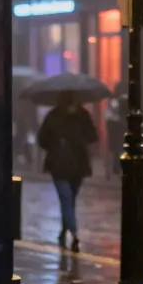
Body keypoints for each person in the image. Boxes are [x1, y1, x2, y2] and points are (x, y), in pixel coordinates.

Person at [38, 91, 98, 252]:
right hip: (77, 165)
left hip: (59, 164)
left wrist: (55, 145)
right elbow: (93, 137)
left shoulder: (53, 115)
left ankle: (64, 231)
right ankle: (74, 233)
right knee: (68, 199)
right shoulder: (83, 115)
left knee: (67, 200)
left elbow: (42, 140)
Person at [104, 81, 126, 176]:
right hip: (118, 124)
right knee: (118, 146)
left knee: (115, 147)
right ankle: (117, 167)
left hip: (114, 124)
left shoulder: (113, 99)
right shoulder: (117, 99)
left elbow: (108, 114)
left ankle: (116, 168)